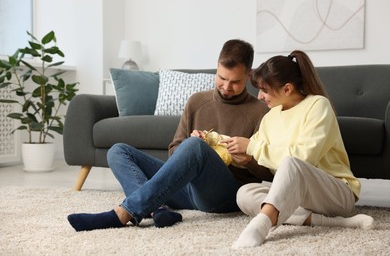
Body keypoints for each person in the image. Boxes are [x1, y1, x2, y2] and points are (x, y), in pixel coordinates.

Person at [67, 39, 273, 231]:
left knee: (194, 146)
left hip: (222, 196)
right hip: (183, 190)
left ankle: (124, 212)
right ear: (217, 67)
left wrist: (247, 159)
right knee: (118, 151)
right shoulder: (197, 101)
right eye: (222, 78)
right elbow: (174, 149)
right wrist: (189, 151)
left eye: (235, 82)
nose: (227, 87)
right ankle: (158, 209)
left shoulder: (261, 112)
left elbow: (270, 172)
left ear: (248, 76)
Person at [221, 50, 374, 248]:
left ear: (287, 89)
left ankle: (260, 225)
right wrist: (217, 144)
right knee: (244, 193)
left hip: (336, 193)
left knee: (292, 162)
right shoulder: (270, 117)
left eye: (264, 90)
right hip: (299, 199)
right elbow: (253, 150)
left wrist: (252, 147)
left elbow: (303, 158)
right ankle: (337, 223)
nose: (259, 96)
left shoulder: (318, 105)